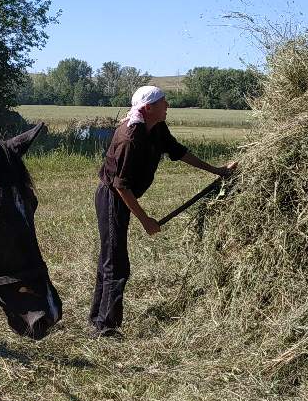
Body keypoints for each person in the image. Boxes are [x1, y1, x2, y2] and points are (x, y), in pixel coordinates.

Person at [90, 85, 236, 337]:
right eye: (163, 102)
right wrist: (145, 220)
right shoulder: (129, 137)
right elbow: (121, 187)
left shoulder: (156, 128)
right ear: (148, 108)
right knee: (116, 262)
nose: (167, 105)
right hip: (112, 198)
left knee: (110, 258)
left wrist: (217, 170)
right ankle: (105, 327)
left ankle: (97, 318)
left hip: (121, 195)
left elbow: (178, 152)